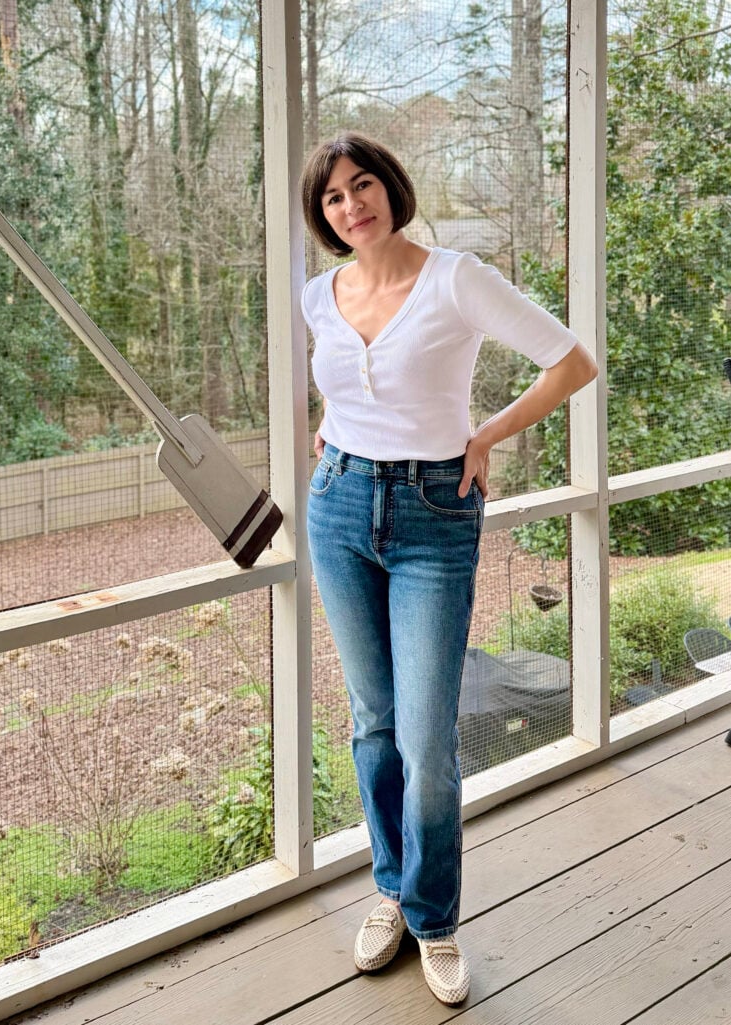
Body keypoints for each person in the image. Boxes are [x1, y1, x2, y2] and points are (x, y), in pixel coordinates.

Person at [299, 131, 597, 1006]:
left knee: (428, 738)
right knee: (372, 720)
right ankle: (389, 888)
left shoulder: (454, 277)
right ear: (322, 217)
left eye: (362, 186)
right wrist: (336, 423)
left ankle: (433, 916)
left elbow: (571, 361)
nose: (351, 206)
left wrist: (484, 436)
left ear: (391, 187)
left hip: (434, 513)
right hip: (339, 503)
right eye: (332, 199)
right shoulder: (321, 295)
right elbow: (347, 381)